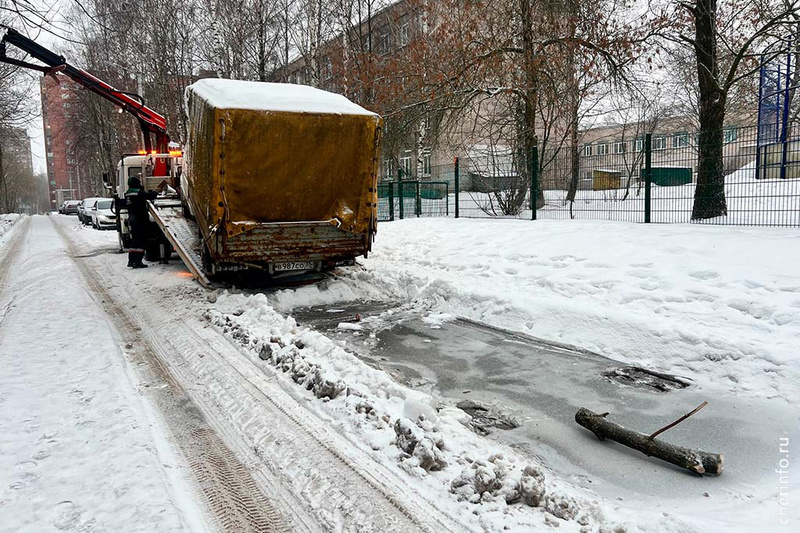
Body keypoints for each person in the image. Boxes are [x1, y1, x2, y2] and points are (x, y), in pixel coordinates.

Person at [125, 176, 167, 268]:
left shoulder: (128, 193)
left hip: (133, 220)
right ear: (137, 184)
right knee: (141, 242)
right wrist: (156, 191)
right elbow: (149, 196)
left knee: (134, 242)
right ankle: (138, 262)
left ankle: (131, 261)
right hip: (140, 220)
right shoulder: (139, 193)